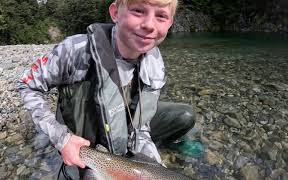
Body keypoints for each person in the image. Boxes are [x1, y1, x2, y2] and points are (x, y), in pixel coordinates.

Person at [18, 0, 195, 179]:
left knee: (185, 116)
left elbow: (142, 125)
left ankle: (176, 149)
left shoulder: (155, 62)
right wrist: (62, 139)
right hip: (87, 144)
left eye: (161, 16)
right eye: (138, 11)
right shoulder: (76, 50)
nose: (149, 25)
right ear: (115, 12)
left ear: (171, 22)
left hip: (125, 130)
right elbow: (27, 84)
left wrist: (155, 166)